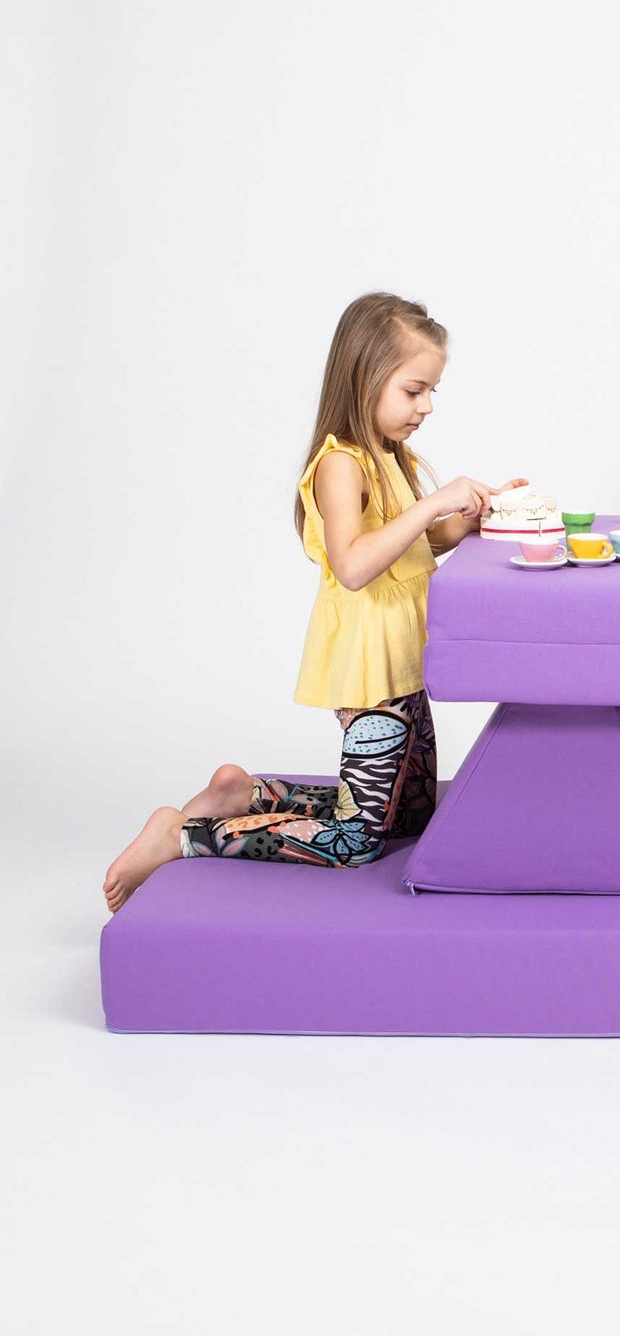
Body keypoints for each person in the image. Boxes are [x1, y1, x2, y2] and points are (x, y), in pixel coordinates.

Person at [103, 292, 525, 912]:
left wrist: (471, 520)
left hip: (405, 664)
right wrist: (434, 503)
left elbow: (406, 546)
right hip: (370, 673)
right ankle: (184, 836)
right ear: (365, 378)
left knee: (413, 814)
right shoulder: (340, 465)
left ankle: (248, 793)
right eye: (414, 391)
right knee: (356, 842)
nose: (427, 406)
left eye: (432, 391)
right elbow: (353, 565)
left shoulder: (391, 455)